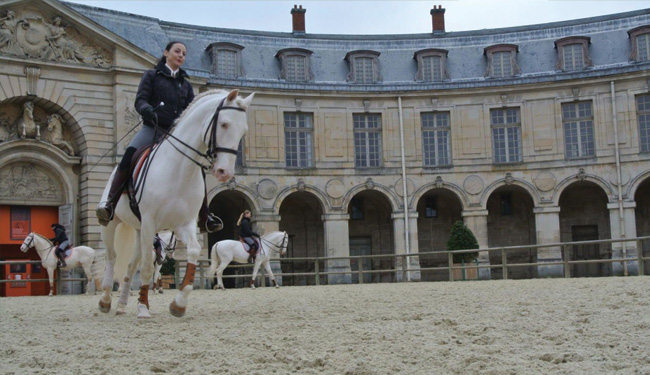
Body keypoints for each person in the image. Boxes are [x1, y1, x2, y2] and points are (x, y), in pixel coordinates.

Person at [95, 41, 221, 233]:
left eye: (184, 53)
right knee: (129, 155)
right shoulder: (151, 76)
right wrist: (146, 109)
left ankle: (205, 215)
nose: (181, 55)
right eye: (177, 51)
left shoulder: (186, 85)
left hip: (175, 134)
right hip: (152, 129)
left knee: (196, 168)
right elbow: (141, 99)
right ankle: (110, 204)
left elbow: (191, 111)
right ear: (166, 53)